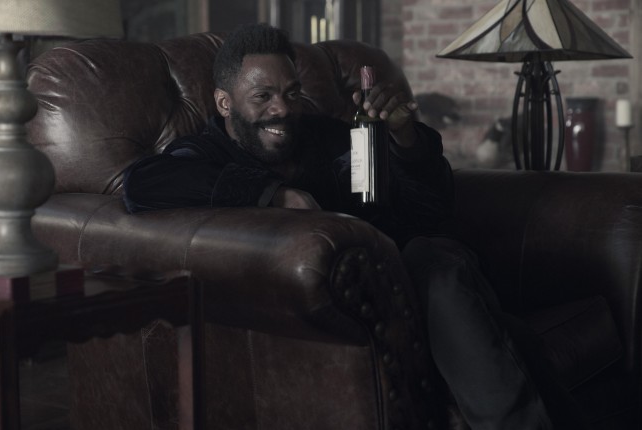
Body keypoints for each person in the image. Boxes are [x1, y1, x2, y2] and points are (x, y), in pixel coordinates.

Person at [123, 23, 587, 430]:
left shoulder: (324, 135)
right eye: (262, 96)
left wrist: (405, 138)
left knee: (435, 261)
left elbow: (428, 209)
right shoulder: (203, 153)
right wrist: (273, 194)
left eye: (291, 93)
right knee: (510, 336)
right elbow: (142, 183)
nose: (282, 109)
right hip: (352, 308)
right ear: (224, 102)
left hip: (415, 270)